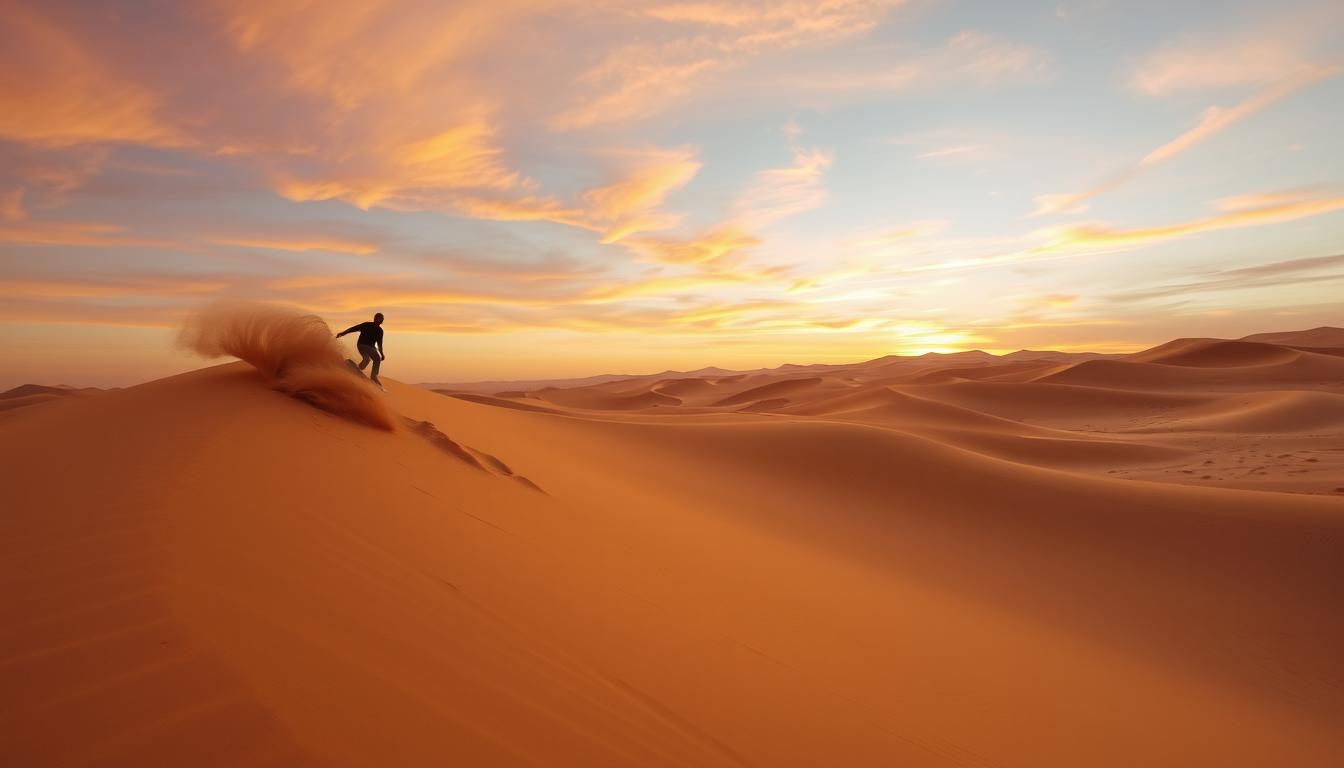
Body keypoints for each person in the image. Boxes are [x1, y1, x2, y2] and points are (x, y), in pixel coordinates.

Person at [336, 313, 386, 385]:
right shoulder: (366, 325)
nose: (381, 320)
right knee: (367, 359)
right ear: (375, 318)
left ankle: (368, 374)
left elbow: (379, 344)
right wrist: (343, 333)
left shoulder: (380, 331)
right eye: (380, 319)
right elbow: (353, 328)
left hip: (371, 347)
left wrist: (381, 354)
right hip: (362, 345)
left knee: (374, 359)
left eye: (382, 319)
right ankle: (360, 371)